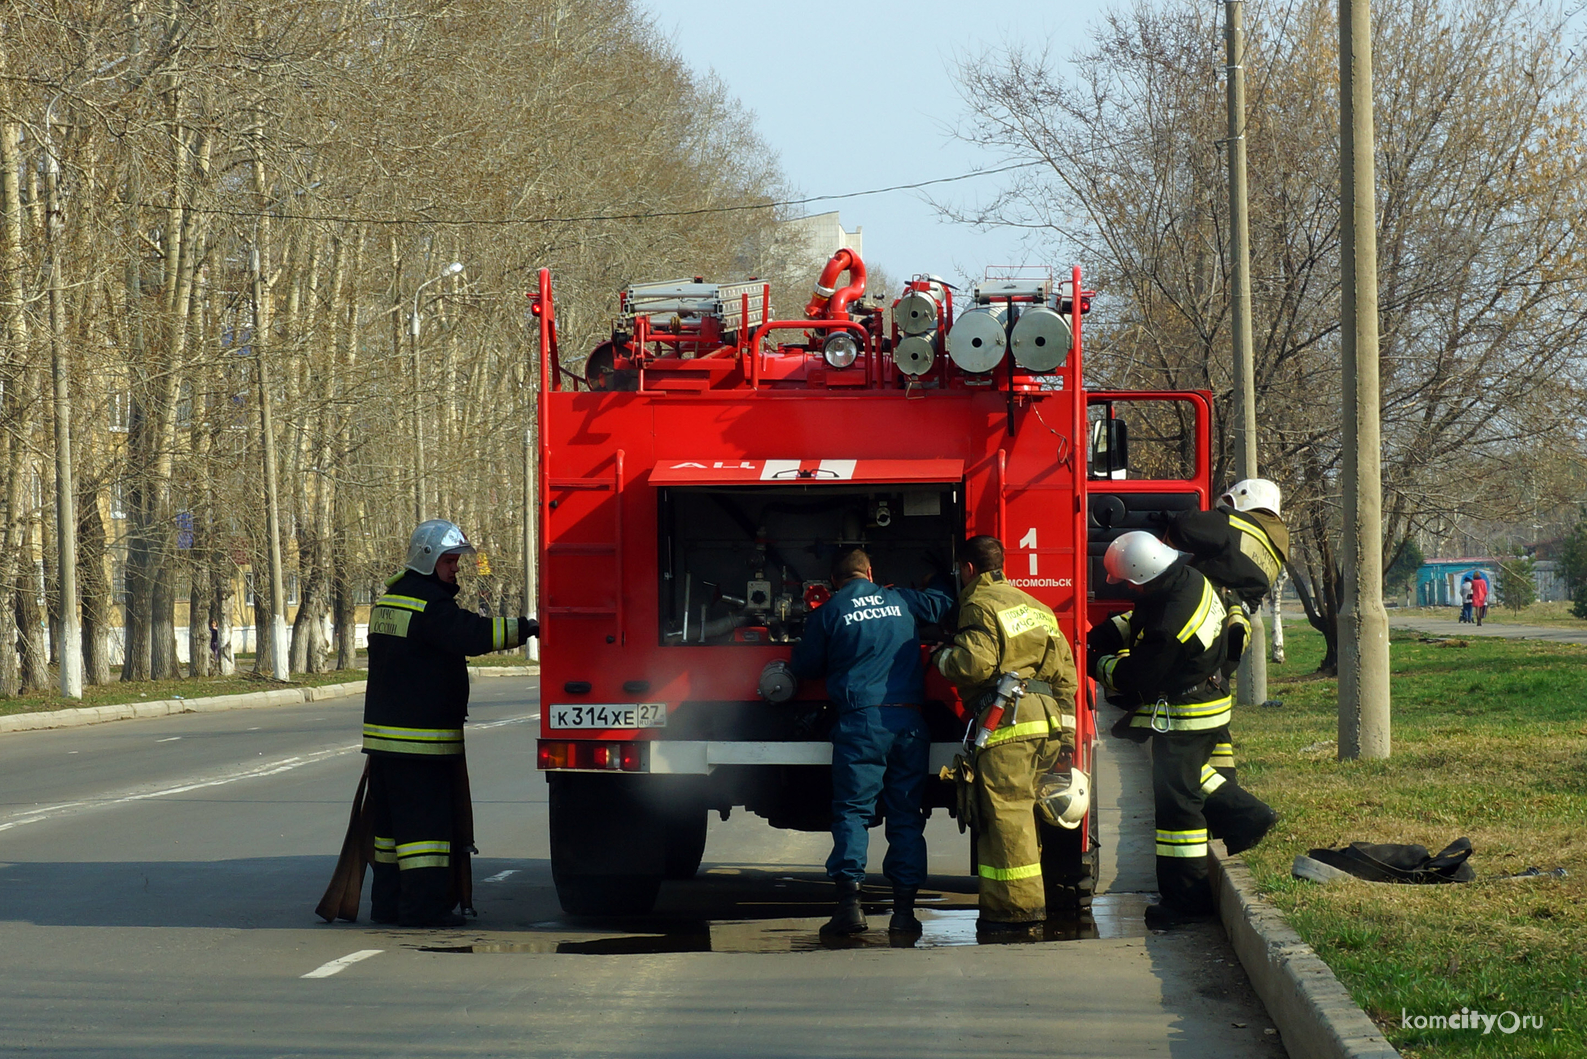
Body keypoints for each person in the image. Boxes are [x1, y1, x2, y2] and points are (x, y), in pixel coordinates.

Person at [1087, 530, 1271, 930]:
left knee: (1176, 809)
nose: (1127, 592)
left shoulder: (1171, 624)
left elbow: (1135, 676)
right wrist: (1101, 634)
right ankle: (1247, 817)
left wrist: (1095, 661)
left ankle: (1187, 900)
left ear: (1140, 576)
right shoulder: (1187, 580)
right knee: (1187, 778)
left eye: (1127, 585)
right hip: (1207, 699)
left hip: (1188, 712)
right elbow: (1138, 618)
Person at [361, 519, 538, 927]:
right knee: (426, 833)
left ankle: (387, 904)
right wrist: (526, 629)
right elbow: (471, 635)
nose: (456, 568)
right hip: (421, 743)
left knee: (389, 832)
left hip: (386, 741)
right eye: (450, 560)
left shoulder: (389, 601)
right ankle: (424, 909)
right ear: (428, 560)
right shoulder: (429, 606)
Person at [789, 547, 953, 938]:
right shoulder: (900, 599)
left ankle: (850, 908)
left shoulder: (829, 611)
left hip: (861, 723)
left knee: (852, 812)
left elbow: (805, 666)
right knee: (906, 816)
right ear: (870, 572)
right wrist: (940, 576)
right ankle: (904, 914)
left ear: (834, 582)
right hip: (910, 722)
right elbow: (943, 604)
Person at [932, 535, 1079, 934]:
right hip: (1044, 724)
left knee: (1006, 818)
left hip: (1009, 724)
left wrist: (940, 656)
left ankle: (1016, 914)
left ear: (967, 569)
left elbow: (974, 665)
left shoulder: (979, 604)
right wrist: (1065, 737)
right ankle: (1015, 905)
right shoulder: (1037, 607)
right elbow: (1067, 677)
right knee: (1021, 815)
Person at [1163, 478, 1284, 846]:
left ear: (1239, 500)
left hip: (1206, 624)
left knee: (1180, 758)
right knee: (1215, 739)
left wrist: (1164, 514)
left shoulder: (1236, 523)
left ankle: (1242, 813)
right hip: (1230, 632)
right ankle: (1226, 809)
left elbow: (1186, 527)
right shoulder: (1275, 541)